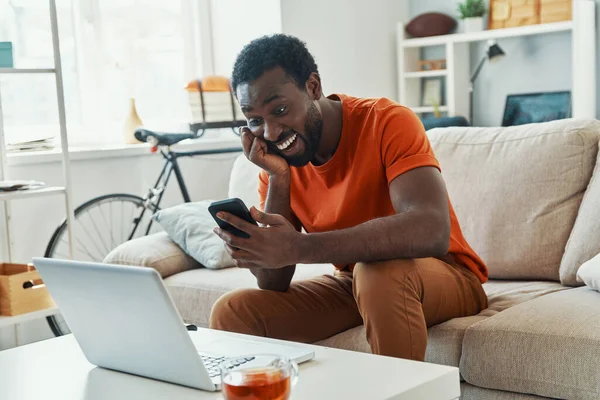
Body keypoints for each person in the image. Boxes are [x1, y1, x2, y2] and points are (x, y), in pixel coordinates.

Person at [209, 34, 488, 361]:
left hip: (445, 276)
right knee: (232, 312)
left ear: (313, 87)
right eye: (255, 120)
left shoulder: (386, 121)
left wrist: (299, 247)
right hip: (359, 283)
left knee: (377, 276)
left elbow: (431, 229)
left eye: (280, 110)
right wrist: (278, 179)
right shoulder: (279, 164)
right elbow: (273, 281)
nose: (269, 133)